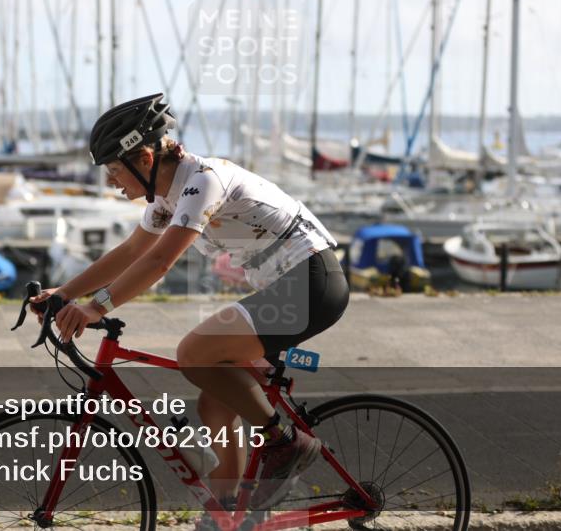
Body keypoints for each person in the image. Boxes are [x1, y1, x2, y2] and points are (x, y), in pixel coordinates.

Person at [31, 93, 349, 524]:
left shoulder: (203, 181)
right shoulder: (166, 197)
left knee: (194, 351)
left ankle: (285, 442)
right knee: (215, 407)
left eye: (113, 169)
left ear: (144, 158)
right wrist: (64, 294)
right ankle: (227, 517)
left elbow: (159, 262)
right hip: (287, 286)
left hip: (311, 281)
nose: (110, 181)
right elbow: (130, 252)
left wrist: (97, 307)